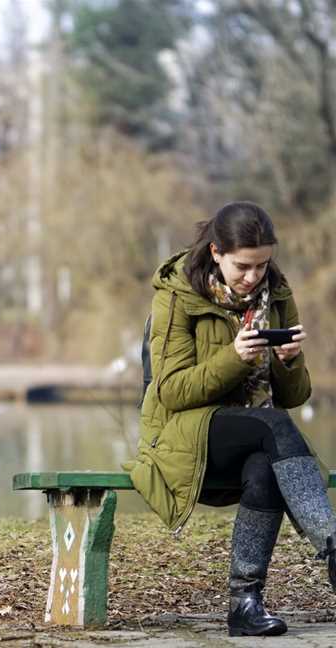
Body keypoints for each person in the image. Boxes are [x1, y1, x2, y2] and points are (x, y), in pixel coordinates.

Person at [125, 201, 333, 637]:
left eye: (262, 264)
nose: (253, 276)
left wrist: (288, 361)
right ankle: (332, 547)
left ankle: (245, 604)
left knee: (265, 466)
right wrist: (235, 358)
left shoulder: (276, 295)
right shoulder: (177, 295)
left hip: (256, 438)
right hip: (183, 435)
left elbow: (294, 397)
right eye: (242, 266)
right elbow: (171, 391)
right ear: (217, 252)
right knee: (272, 426)